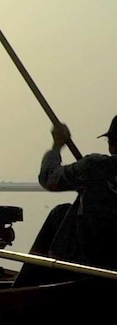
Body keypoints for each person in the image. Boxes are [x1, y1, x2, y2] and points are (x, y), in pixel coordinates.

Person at [13, 115, 117, 286]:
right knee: (64, 212)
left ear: (112, 143)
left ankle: (20, 288)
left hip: (92, 263)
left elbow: (49, 177)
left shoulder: (95, 166)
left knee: (59, 213)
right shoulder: (95, 168)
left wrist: (57, 146)